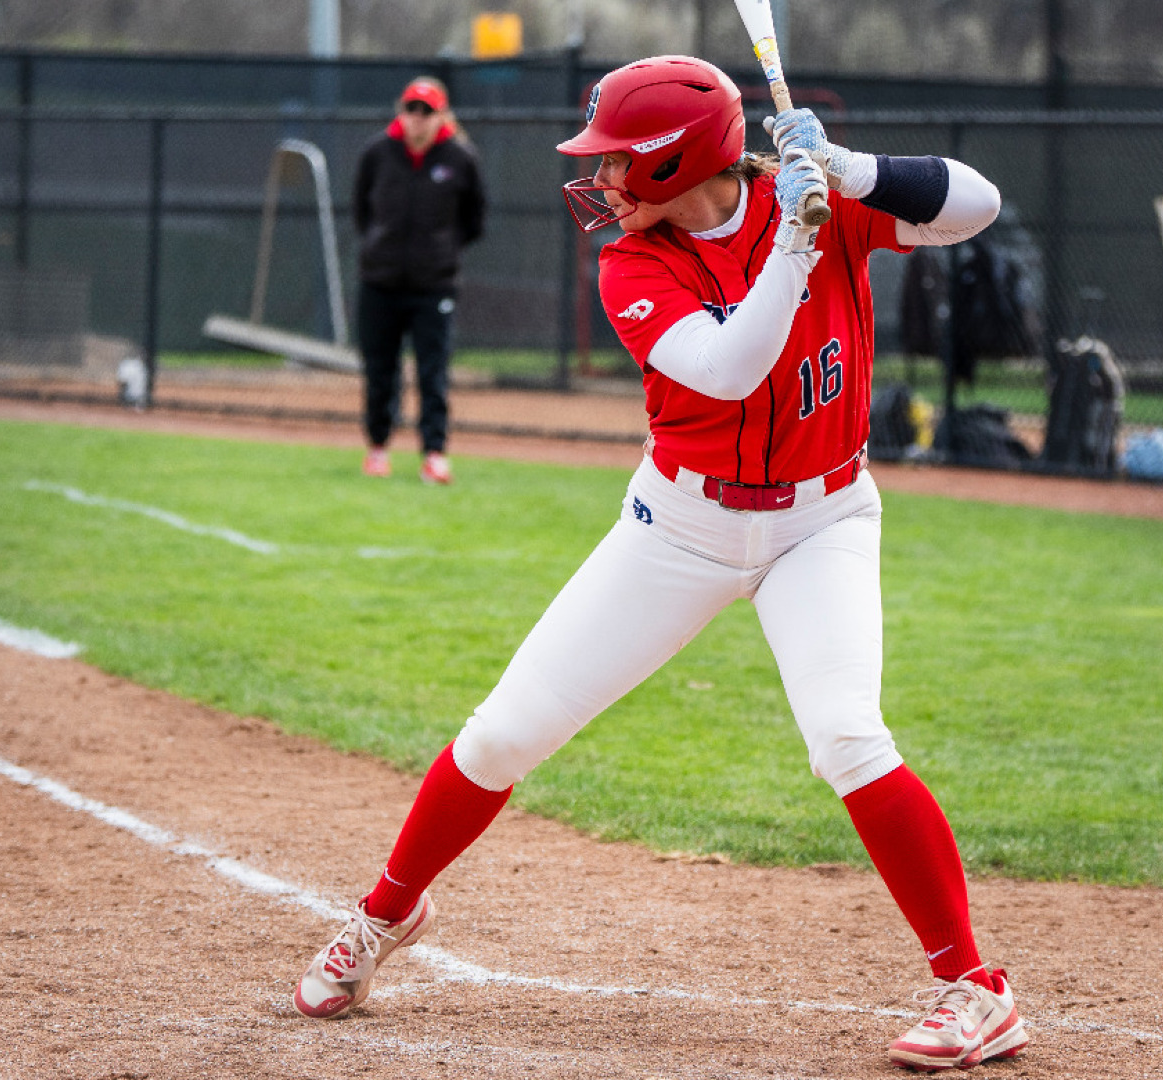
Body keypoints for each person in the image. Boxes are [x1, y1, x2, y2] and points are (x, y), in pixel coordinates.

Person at [292, 55, 1025, 1071]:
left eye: (618, 166)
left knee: (847, 735)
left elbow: (976, 206)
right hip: (678, 525)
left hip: (823, 523)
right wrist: (799, 242)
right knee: (504, 733)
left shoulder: (811, 199)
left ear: (679, 162)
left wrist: (848, 172)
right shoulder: (634, 262)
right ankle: (383, 917)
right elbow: (728, 370)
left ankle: (975, 990)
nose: (601, 185)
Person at [352, 76, 486, 485]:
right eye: (412, 108)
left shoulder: (460, 158)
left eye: (427, 110)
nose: (418, 118)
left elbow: (474, 221)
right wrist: (381, 247)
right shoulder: (377, 153)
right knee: (380, 370)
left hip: (433, 286)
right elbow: (361, 210)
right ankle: (378, 448)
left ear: (441, 115)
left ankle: (434, 454)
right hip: (380, 281)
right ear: (401, 111)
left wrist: (440, 253)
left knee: (433, 372)